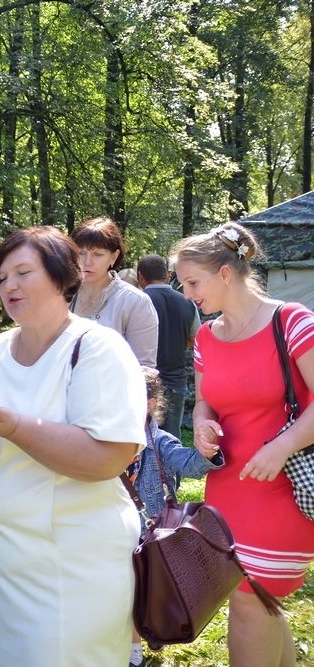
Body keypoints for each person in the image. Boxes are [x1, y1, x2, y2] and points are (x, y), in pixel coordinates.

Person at [0, 226, 146, 667]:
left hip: (71, 566)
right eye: (2, 276)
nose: (9, 285)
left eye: (23, 272)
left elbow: (109, 457)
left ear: (62, 276)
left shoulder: (97, 347)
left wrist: (14, 428)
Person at [175, 222, 314, 667]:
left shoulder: (291, 321)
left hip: (283, 488)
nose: (186, 292)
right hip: (228, 490)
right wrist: (201, 426)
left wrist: (282, 446)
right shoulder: (205, 337)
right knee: (260, 601)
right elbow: (204, 405)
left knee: (250, 599)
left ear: (225, 273)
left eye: (192, 282)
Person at [127, 366, 223, 667]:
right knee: (129, 590)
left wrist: (208, 451)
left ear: (150, 404)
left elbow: (191, 465)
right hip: (117, 530)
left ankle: (150, 629)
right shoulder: (107, 438)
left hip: (153, 533)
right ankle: (134, 649)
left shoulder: (160, 442)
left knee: (150, 588)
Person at [69, 216, 159, 367]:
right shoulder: (61, 295)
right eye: (81, 253)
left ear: (114, 256)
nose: (87, 262)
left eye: (97, 254)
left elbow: (144, 369)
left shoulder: (136, 302)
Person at [137, 253, 200, 436]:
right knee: (171, 439)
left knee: (141, 440)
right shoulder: (187, 302)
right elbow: (196, 338)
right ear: (167, 274)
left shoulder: (137, 301)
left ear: (141, 275)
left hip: (143, 381)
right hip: (176, 381)